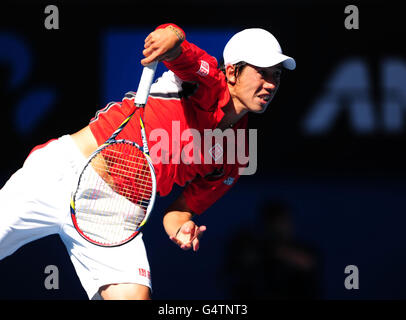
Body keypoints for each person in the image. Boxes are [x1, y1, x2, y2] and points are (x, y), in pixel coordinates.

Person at [0, 23, 295, 300]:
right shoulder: (204, 82)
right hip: (61, 174)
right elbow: (177, 45)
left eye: (277, 75)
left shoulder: (234, 156)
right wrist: (170, 35)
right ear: (232, 73)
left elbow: (179, 213)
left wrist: (182, 227)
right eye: (263, 73)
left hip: (116, 216)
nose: (271, 84)